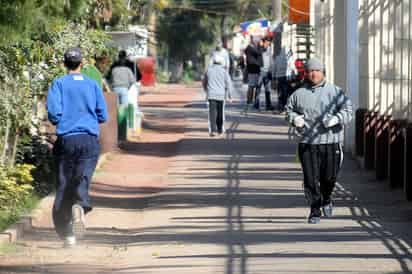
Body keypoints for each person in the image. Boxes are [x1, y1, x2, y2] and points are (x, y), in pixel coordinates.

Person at [47, 47, 108, 247]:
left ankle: (68, 235)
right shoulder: (92, 84)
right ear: (82, 64)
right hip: (89, 140)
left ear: (65, 64)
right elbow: (103, 115)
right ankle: (80, 206)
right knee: (82, 179)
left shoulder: (58, 84)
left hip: (67, 140)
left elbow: (54, 115)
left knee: (64, 185)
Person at [285, 57, 353, 224]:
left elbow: (348, 110)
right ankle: (315, 209)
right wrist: (294, 119)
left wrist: (336, 119)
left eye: (317, 70)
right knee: (310, 179)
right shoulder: (298, 94)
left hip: (331, 141)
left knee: (329, 178)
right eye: (310, 71)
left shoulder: (335, 92)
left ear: (323, 72)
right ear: (306, 73)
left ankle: (327, 198)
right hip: (308, 142)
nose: (313, 74)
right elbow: (288, 110)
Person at [202, 54, 233, 137]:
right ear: (221, 62)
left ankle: (213, 130)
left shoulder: (208, 70)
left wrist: (206, 91)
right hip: (221, 95)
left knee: (212, 113)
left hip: (211, 95)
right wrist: (230, 95)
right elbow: (229, 84)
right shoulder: (224, 71)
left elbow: (204, 82)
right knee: (220, 113)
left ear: (213, 61)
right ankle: (219, 130)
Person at [273, 47, 296, 112]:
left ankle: (280, 107)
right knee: (286, 92)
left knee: (280, 92)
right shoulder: (290, 58)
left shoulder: (277, 58)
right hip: (287, 77)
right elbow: (293, 68)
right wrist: (294, 77)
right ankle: (285, 106)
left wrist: (273, 77)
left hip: (279, 78)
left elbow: (274, 67)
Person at [255, 37, 274, 111]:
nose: (268, 43)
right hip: (260, 71)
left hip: (268, 71)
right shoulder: (259, 48)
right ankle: (256, 104)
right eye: (266, 42)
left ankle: (268, 105)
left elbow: (271, 60)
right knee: (258, 88)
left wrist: (271, 70)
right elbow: (258, 53)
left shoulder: (270, 49)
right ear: (263, 42)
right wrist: (260, 45)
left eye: (269, 42)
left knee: (268, 89)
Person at [244, 35, 263, 110]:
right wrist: (260, 45)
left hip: (255, 69)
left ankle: (254, 103)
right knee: (251, 86)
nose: (257, 41)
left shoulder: (251, 48)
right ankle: (249, 103)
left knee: (254, 87)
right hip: (252, 69)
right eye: (256, 40)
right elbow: (259, 53)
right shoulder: (250, 48)